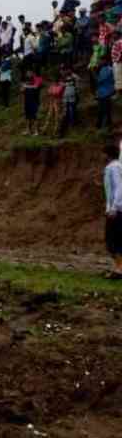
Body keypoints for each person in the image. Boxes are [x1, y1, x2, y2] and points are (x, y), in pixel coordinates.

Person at [104, 143, 122, 279]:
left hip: (117, 209)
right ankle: (118, 267)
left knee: (112, 241)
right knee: (116, 240)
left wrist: (113, 208)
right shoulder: (119, 166)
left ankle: (120, 269)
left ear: (107, 155)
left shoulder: (113, 167)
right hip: (117, 208)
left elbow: (119, 187)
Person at [21, 70, 43, 136]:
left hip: (34, 103)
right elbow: (22, 91)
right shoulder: (26, 87)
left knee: (35, 117)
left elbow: (36, 87)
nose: (28, 82)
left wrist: (26, 86)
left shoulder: (35, 86)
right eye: (27, 80)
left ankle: (36, 131)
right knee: (27, 117)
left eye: (29, 80)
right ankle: (28, 130)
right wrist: (24, 86)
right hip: (27, 103)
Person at [97, 56, 115, 130]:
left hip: (105, 92)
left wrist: (94, 74)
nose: (100, 62)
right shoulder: (104, 69)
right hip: (104, 92)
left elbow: (100, 80)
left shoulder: (107, 69)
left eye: (101, 61)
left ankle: (101, 124)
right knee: (106, 109)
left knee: (103, 109)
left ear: (105, 61)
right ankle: (107, 124)